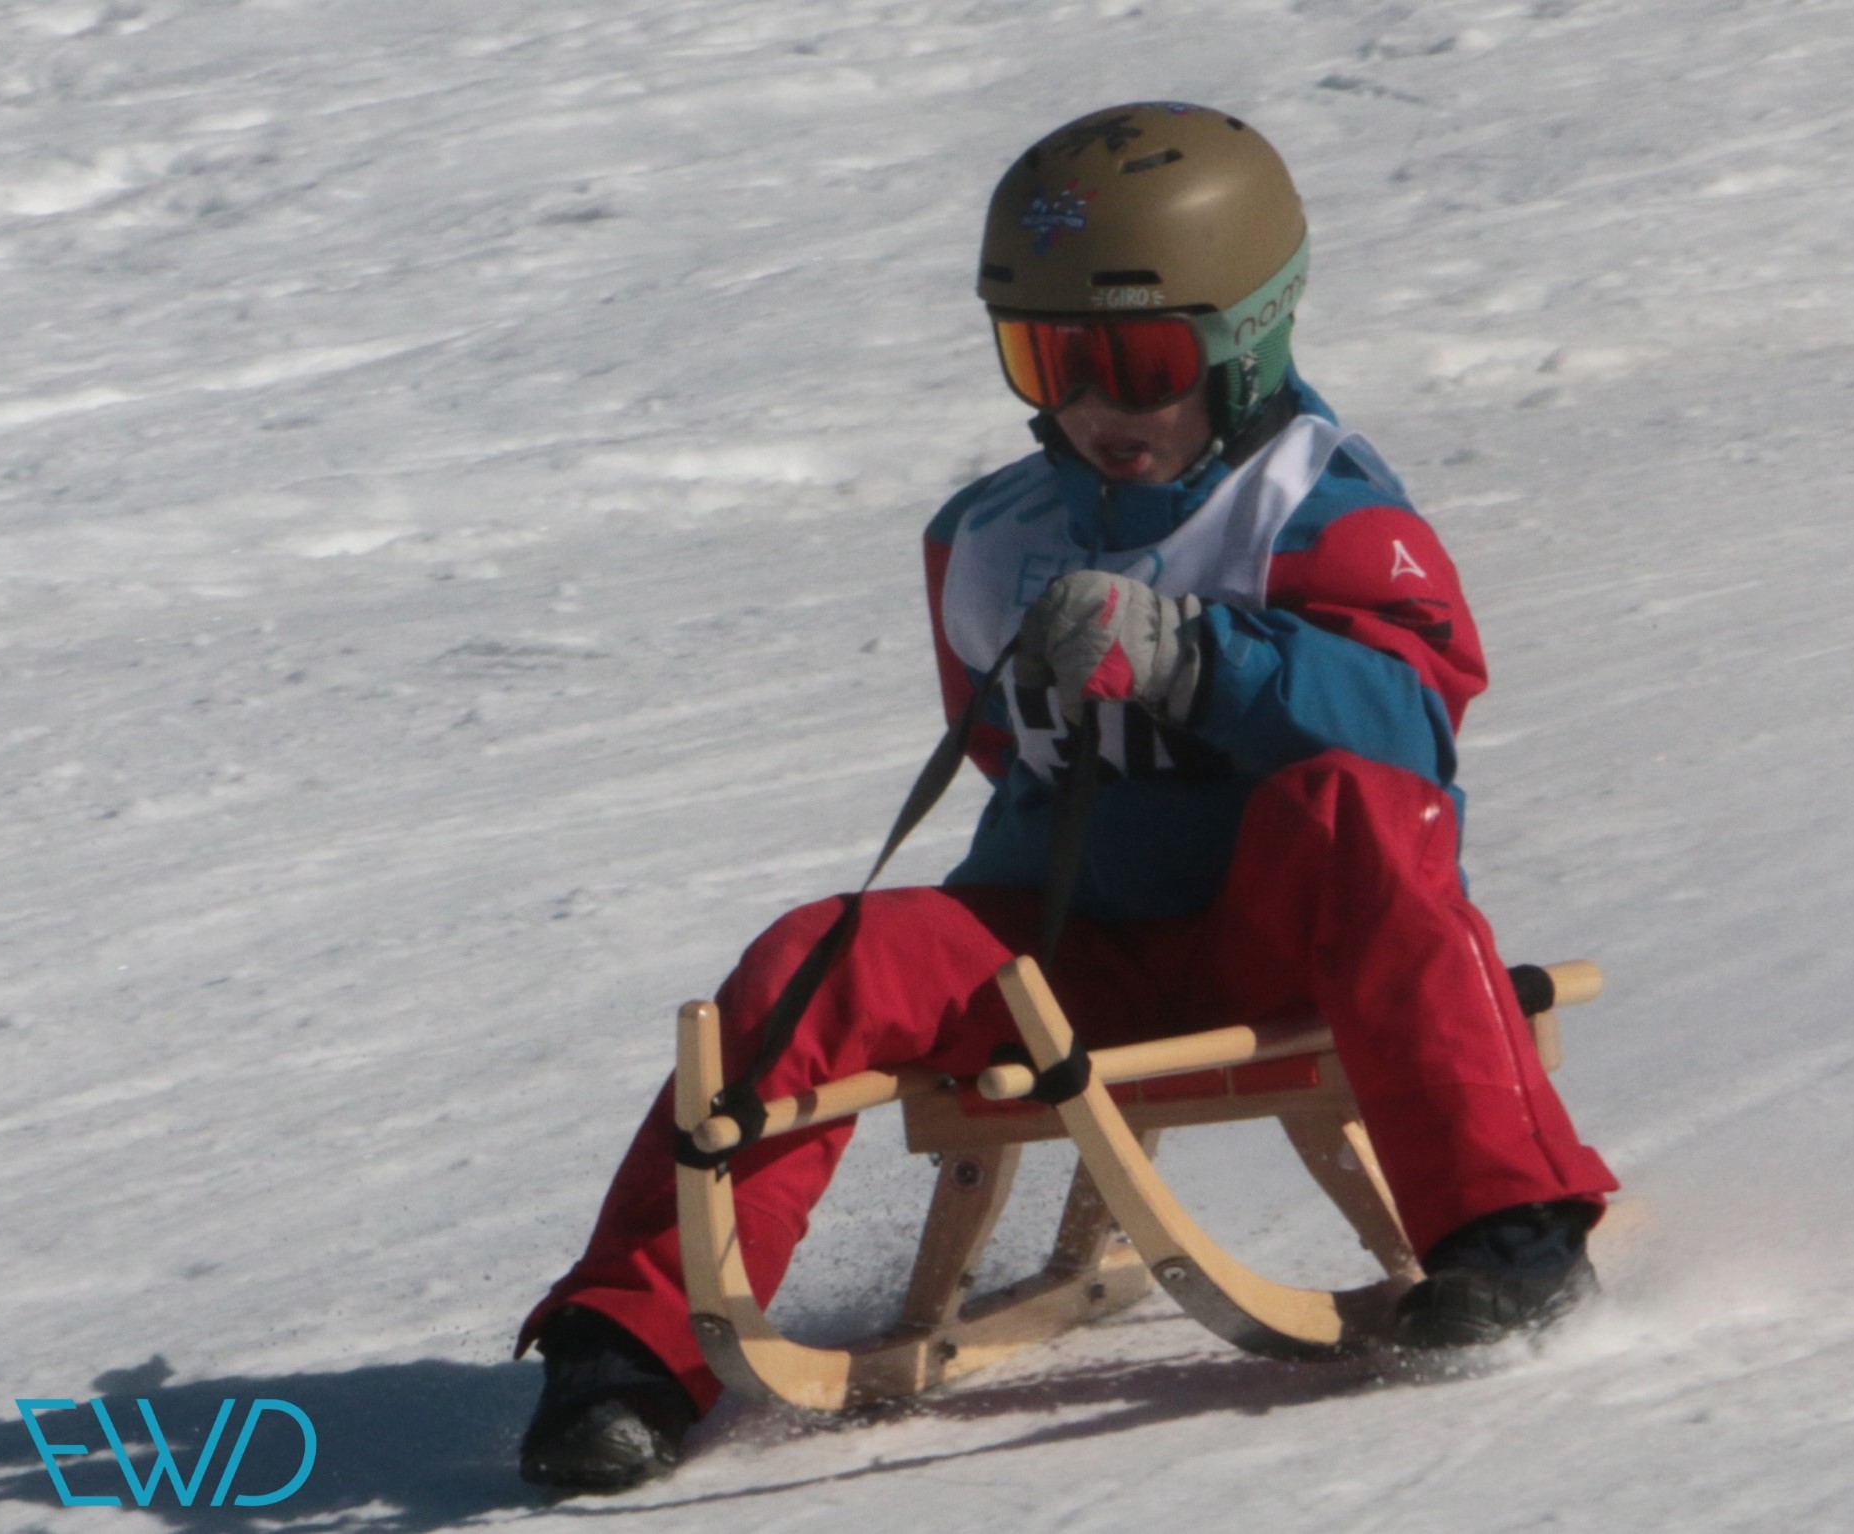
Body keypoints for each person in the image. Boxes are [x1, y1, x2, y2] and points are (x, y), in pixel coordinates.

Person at [515, 101, 1618, 1493]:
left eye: (1141, 365)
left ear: (1246, 343)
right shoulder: (987, 536)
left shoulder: (1322, 512)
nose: (1096, 406)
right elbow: (1001, 755)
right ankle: (627, 1348)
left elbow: (1414, 728)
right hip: (1065, 941)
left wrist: (1198, 660)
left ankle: (1513, 1237)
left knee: (1361, 809)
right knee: (817, 958)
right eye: (1047, 360)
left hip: (1285, 938)